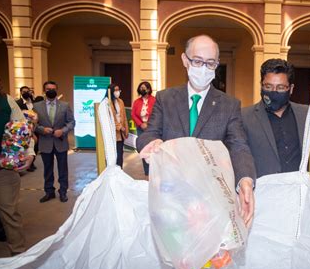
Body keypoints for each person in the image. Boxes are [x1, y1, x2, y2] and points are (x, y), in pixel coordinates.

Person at [137, 34, 256, 227]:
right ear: (185, 60)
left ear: (217, 64)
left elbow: (239, 146)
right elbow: (149, 133)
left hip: (210, 202)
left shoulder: (229, 105)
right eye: (198, 61)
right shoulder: (165, 99)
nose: (203, 69)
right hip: (169, 196)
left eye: (210, 63)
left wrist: (245, 179)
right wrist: (152, 143)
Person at [242, 59, 310, 197]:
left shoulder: (306, 115)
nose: (273, 92)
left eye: (280, 88)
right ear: (261, 85)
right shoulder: (245, 117)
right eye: (268, 86)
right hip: (263, 199)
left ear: (291, 89)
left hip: (301, 198)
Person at [0, 75, 35, 255]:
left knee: (9, 213)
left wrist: (29, 153)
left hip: (3, 170)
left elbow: (22, 129)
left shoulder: (6, 101)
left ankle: (19, 257)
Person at [33, 81, 75, 203]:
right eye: (47, 89)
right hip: (45, 143)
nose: (50, 90)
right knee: (47, 169)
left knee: (63, 169)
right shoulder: (37, 106)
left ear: (57, 90)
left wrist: (63, 131)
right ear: (44, 90)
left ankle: (63, 192)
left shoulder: (65, 105)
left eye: (53, 88)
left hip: (60, 142)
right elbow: (32, 125)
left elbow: (71, 122)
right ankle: (49, 192)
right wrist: (42, 129)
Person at [132, 81, 156, 176]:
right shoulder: (137, 102)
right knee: (143, 149)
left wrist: (149, 124)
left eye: (144, 88)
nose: (142, 89)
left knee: (153, 148)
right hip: (141, 128)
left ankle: (154, 170)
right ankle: (147, 171)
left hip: (152, 128)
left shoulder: (154, 100)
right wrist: (140, 124)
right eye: (141, 87)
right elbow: (133, 114)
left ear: (149, 89)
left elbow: (156, 113)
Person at [15, 86, 38, 172]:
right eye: (24, 91)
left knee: (35, 146)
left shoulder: (34, 102)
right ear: (21, 93)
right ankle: (22, 164)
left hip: (35, 127)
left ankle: (32, 163)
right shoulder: (17, 103)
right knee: (25, 146)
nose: (26, 93)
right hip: (23, 128)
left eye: (28, 91)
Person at [107, 83, 129, 168]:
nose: (117, 92)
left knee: (120, 154)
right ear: (111, 91)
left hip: (121, 133)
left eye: (118, 90)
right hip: (112, 133)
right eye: (115, 90)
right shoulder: (107, 103)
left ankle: (120, 172)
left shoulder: (120, 101)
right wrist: (119, 127)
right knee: (112, 155)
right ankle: (112, 173)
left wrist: (126, 129)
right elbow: (111, 118)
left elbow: (124, 117)